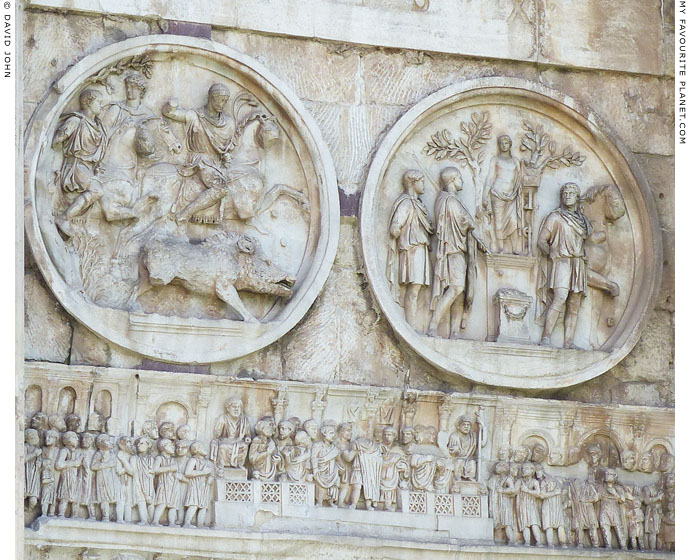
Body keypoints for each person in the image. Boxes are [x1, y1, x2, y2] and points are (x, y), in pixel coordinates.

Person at [428, 167, 488, 338]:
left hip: (459, 250)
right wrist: (470, 225)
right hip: (452, 250)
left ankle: (454, 331)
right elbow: (464, 223)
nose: (462, 181)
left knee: (459, 291)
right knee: (456, 288)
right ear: (453, 180)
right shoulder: (451, 202)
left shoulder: (448, 200)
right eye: (460, 178)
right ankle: (433, 325)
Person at [162, 83, 235, 222]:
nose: (222, 103)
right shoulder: (194, 116)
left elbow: (224, 148)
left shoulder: (228, 123)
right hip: (200, 161)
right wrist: (171, 105)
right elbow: (170, 113)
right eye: (220, 99)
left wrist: (225, 155)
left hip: (217, 163)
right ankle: (184, 214)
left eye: (225, 100)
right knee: (221, 188)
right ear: (211, 98)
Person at [537, 182, 592, 348]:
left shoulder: (583, 221)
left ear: (577, 197)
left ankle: (569, 342)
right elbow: (541, 240)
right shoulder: (555, 217)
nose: (568, 195)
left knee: (574, 303)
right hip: (561, 261)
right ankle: (546, 337)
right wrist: (552, 254)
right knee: (560, 298)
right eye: (565, 193)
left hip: (577, 262)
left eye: (571, 193)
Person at [52, 88, 108, 236]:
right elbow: (57, 139)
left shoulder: (97, 125)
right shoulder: (76, 120)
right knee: (97, 190)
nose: (101, 105)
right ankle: (64, 217)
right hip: (75, 167)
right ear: (89, 102)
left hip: (88, 168)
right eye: (99, 102)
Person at [387, 169, 433, 329]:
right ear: (413, 183)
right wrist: (397, 228)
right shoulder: (406, 203)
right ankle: (410, 325)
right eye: (421, 181)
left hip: (420, 247)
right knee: (414, 287)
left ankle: (411, 323)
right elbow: (396, 225)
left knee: (417, 287)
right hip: (411, 249)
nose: (424, 185)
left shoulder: (418, 204)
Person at [483, 135, 523, 254]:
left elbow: (519, 180)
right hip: (497, 194)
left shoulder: (515, 161)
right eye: (501, 143)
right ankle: (500, 248)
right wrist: (485, 196)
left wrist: (516, 193)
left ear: (510, 145)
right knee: (498, 221)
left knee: (513, 221)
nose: (504, 145)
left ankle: (515, 248)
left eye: (506, 143)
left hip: (512, 196)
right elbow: (490, 178)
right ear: (499, 145)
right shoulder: (495, 160)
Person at [211, 397, 251, 470]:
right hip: (226, 441)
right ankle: (221, 465)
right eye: (234, 407)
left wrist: (248, 438)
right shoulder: (223, 418)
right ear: (228, 409)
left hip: (238, 442)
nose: (237, 409)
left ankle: (239, 464)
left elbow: (247, 434)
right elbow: (217, 434)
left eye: (238, 407)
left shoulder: (244, 419)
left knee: (244, 446)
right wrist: (218, 433)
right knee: (223, 447)